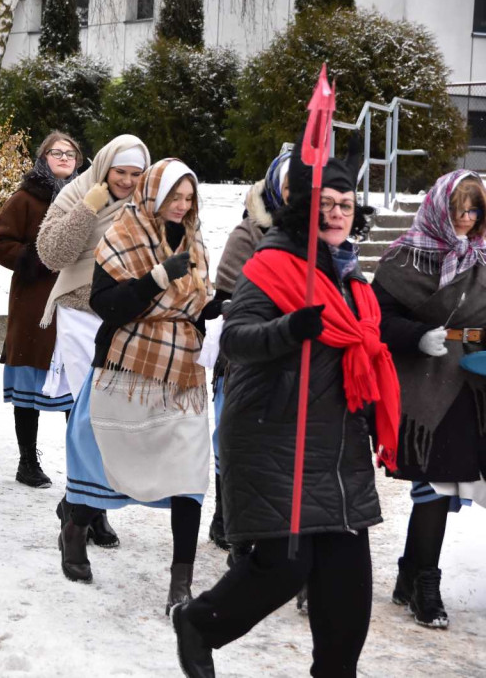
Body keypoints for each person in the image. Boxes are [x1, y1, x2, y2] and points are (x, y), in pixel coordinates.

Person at [172, 139, 398, 678]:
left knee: (348, 599)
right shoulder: (273, 265)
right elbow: (239, 339)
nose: (339, 214)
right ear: (304, 210)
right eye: (328, 206)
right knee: (281, 571)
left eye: (347, 205)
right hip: (277, 435)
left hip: (338, 446)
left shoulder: (350, 276)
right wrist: (290, 328)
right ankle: (199, 624)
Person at [60, 159, 219, 610]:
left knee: (188, 472)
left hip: (183, 371)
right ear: (153, 195)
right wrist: (157, 278)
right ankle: (75, 526)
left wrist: (222, 304)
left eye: (188, 199)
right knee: (108, 465)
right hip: (127, 364)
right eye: (173, 198)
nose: (180, 206)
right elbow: (106, 304)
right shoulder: (122, 236)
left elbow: (196, 305)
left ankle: (180, 584)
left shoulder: (195, 240)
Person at [373, 169, 486, 630]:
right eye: (458, 207)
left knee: (446, 484)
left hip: (471, 384)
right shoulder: (404, 257)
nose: (465, 217)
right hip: (420, 383)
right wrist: (418, 336)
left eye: (474, 208)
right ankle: (425, 584)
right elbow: (377, 320)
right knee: (434, 485)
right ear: (440, 206)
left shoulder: (483, 257)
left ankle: (407, 573)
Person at [37, 135, 149, 545]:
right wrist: (91, 207)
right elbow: (52, 253)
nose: (128, 181)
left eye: (137, 174)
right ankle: (87, 506)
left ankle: (84, 501)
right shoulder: (77, 193)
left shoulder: (149, 202)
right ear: (104, 168)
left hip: (128, 314)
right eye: (121, 172)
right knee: (90, 411)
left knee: (116, 414)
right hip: (82, 311)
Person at [0, 133, 83, 487]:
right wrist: (36, 258)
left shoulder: (87, 199)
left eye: (69, 153)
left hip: (77, 305)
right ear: (43, 158)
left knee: (76, 385)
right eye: (56, 152)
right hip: (34, 306)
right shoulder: (26, 199)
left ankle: (81, 464)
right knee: (29, 385)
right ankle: (27, 460)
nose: (63, 157)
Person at [208, 149, 291, 555]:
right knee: (233, 437)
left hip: (295, 360)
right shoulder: (248, 234)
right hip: (245, 357)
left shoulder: (325, 237)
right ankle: (225, 514)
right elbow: (226, 298)